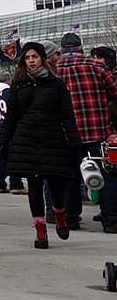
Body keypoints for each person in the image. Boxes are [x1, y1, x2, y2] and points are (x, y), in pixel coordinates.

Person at [0, 42, 82, 249]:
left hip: (52, 138)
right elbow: (11, 116)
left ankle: (60, 213)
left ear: (42, 58)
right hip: (27, 139)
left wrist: (74, 142)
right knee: (34, 187)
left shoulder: (57, 85)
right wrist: (4, 140)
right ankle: (40, 231)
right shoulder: (19, 85)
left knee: (57, 184)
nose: (31, 61)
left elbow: (67, 116)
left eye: (34, 57)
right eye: (27, 58)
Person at [56, 30, 117, 232]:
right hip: (97, 131)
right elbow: (115, 92)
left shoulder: (54, 70)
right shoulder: (97, 66)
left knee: (70, 176)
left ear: (62, 50)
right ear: (81, 48)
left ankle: (71, 218)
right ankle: (110, 221)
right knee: (107, 175)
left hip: (67, 133)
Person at [0, 80, 23, 194]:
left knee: (1, 158)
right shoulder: (9, 93)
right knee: (15, 156)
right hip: (11, 127)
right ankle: (16, 184)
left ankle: (0, 184)